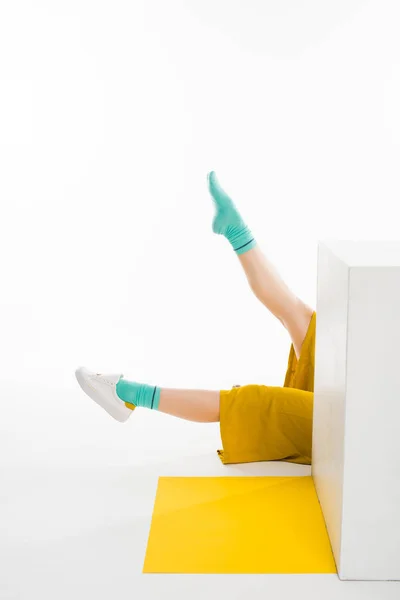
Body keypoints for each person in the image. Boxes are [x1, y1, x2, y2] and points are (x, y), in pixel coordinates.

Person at [75, 171, 316, 465]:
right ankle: (237, 231)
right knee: (307, 323)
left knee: (255, 402)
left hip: (352, 427)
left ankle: (127, 394)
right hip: (361, 402)